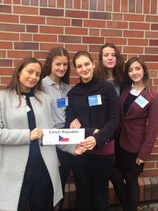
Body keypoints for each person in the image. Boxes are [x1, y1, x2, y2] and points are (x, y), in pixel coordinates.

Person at [0, 57, 83, 211]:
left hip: (43, 167)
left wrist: (72, 147)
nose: (33, 77)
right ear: (19, 72)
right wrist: (27, 135)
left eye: (37, 74)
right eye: (29, 72)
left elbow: (49, 133)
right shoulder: (1, 97)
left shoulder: (44, 99)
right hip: (15, 169)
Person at [65, 51, 119, 211]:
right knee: (83, 194)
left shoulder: (107, 88)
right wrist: (90, 131)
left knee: (100, 194)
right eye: (79, 66)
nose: (84, 68)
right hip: (81, 150)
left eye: (87, 64)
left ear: (93, 64)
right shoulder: (73, 94)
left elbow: (114, 119)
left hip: (103, 150)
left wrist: (97, 137)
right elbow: (69, 122)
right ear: (76, 69)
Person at [111, 57, 158, 211]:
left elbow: (153, 128)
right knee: (115, 177)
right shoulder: (126, 90)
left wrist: (144, 153)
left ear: (144, 70)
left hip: (135, 146)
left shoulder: (152, 95)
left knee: (131, 180)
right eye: (131, 70)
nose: (134, 73)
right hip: (118, 142)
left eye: (137, 69)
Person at [41, 47, 73, 211]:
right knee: (46, 186)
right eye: (58, 64)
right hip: (47, 143)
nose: (62, 68)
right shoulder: (41, 86)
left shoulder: (68, 89)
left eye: (65, 65)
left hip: (65, 142)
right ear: (50, 65)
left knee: (60, 184)